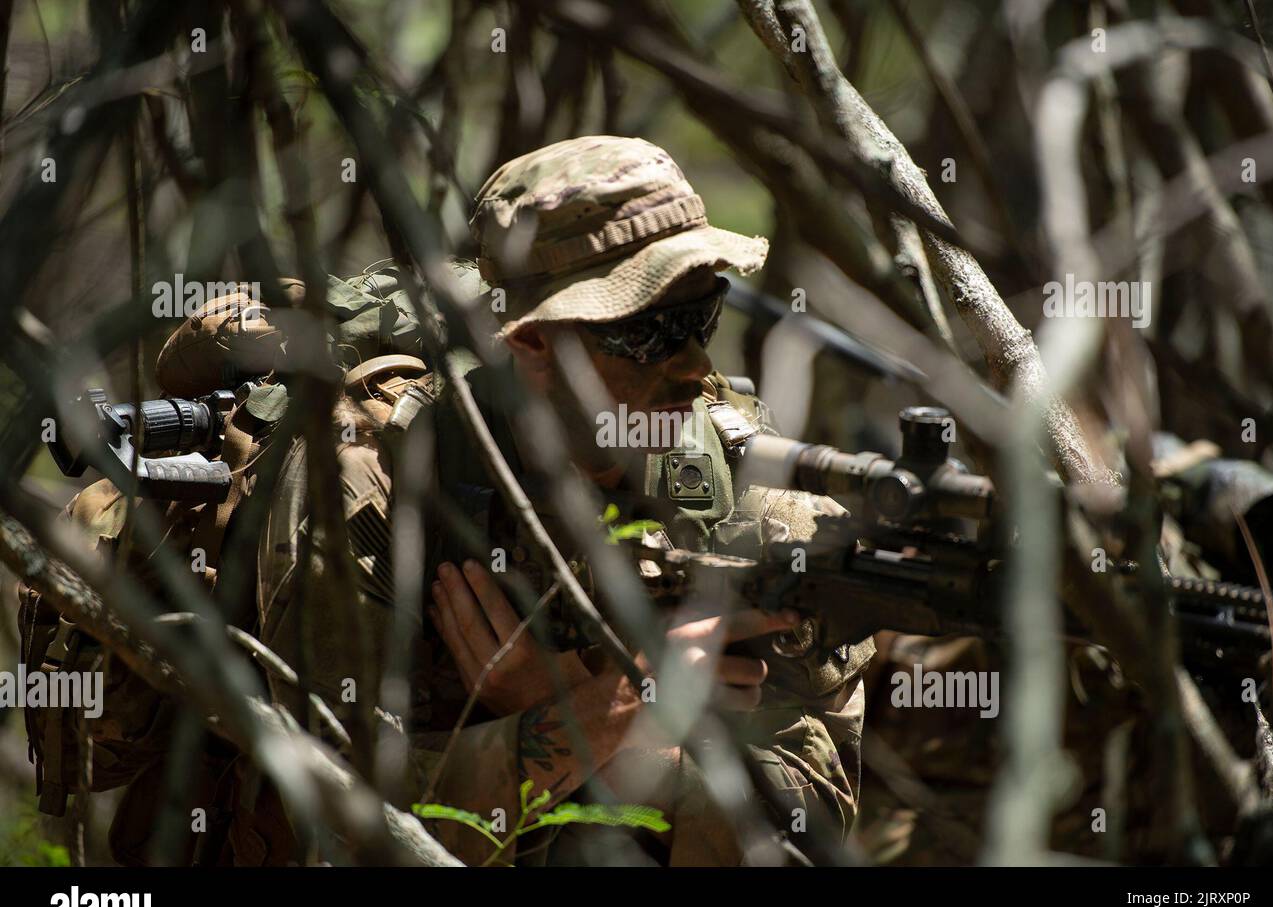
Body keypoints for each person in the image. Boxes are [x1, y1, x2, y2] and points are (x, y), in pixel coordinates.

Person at [249, 135, 872, 865]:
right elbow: (337, 826)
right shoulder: (369, 484)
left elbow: (814, 835)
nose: (696, 363)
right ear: (531, 340)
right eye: (649, 333)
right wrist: (589, 721)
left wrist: (623, 735)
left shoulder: (747, 494)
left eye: (703, 316)